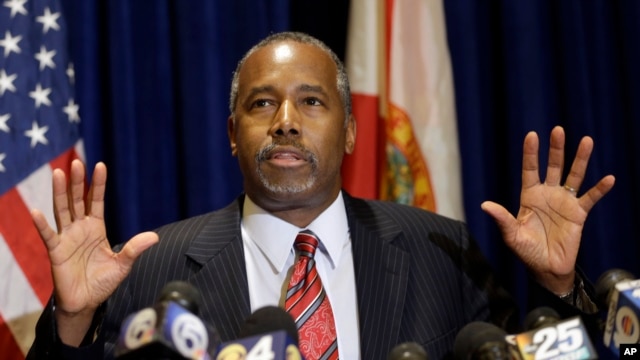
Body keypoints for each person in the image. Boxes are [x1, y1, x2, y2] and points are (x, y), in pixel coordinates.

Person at [27, 31, 615, 359]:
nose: (286, 121)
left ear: (351, 129)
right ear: (233, 134)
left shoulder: (442, 250)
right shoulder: (152, 267)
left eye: (311, 101)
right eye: (262, 103)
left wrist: (559, 288)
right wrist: (74, 320)